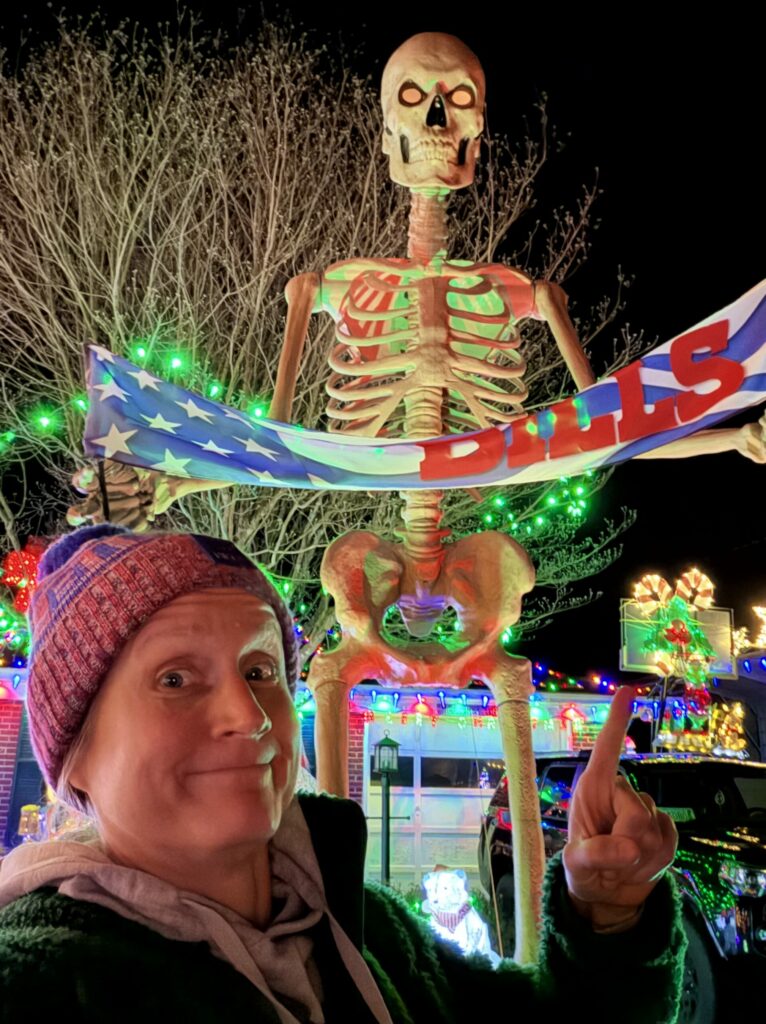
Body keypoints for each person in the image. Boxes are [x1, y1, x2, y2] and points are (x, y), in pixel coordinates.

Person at [0, 524, 686, 1023]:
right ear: (76, 755)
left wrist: (609, 918)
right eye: (174, 679)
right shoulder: (49, 982)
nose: (249, 715)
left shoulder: (370, 926)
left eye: (260, 671)